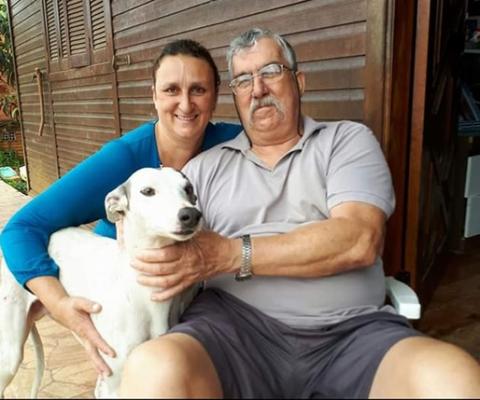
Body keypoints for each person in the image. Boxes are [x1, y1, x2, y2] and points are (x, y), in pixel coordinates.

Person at [118, 28, 480, 398]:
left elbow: (358, 240)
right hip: (229, 333)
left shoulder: (346, 142)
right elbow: (149, 239)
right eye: (243, 80)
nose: (258, 89)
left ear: (299, 81)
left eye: (271, 71)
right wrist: (84, 300)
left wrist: (231, 253)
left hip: (352, 333)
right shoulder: (201, 171)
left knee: (453, 380)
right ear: (236, 96)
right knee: (152, 370)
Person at [0, 39, 242, 377]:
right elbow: (20, 229)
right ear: (154, 95)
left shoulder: (235, 143)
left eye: (198, 89)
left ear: (215, 96)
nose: (185, 103)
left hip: (185, 298)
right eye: (171, 89)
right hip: (123, 298)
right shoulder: (124, 159)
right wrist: (61, 304)